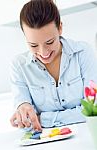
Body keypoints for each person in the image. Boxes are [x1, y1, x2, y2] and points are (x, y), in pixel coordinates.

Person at [10, 0, 97, 131]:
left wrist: (43, 119)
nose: (43, 52)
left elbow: (93, 109)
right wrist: (23, 110)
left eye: (49, 42)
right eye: (33, 45)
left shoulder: (82, 53)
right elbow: (26, 117)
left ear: (60, 28)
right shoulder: (19, 66)